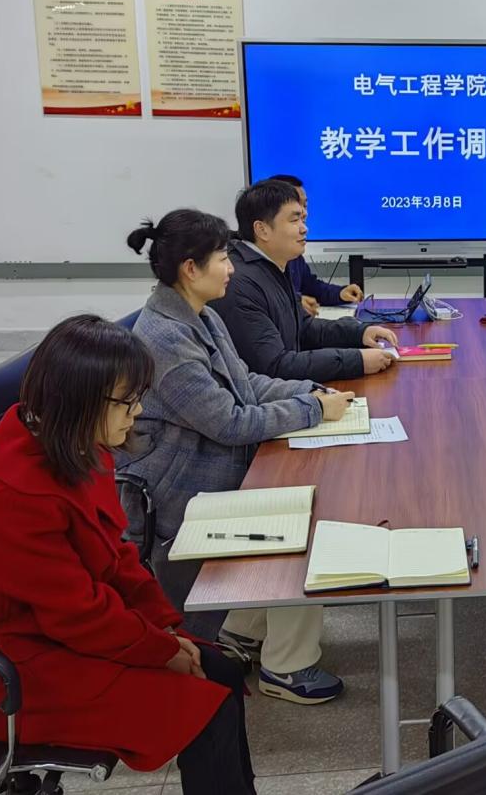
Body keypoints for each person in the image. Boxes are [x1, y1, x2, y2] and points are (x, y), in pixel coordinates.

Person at [0, 316, 257, 794]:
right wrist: (161, 651)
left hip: (51, 635)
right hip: (7, 673)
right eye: (127, 401)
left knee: (220, 669)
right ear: (79, 399)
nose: (138, 411)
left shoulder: (76, 445)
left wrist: (167, 630)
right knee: (204, 705)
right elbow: (77, 616)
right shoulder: (12, 493)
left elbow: (115, 558)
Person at [120, 208, 353, 704]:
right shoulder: (165, 339)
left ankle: (243, 628)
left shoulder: (199, 313)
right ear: (191, 268)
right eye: (224, 258)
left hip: (211, 463)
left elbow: (246, 384)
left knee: (307, 487)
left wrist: (311, 390)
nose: (231, 268)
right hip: (182, 490)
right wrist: (312, 409)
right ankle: (286, 667)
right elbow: (229, 422)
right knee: (308, 516)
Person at [212, 180, 399, 382]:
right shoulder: (239, 282)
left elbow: (304, 328)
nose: (304, 229)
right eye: (294, 221)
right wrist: (357, 360)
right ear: (262, 229)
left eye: (303, 219)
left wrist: (360, 333)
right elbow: (274, 366)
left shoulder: (273, 265)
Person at [269, 173, 363, 317]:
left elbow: (311, 287)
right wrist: (294, 303)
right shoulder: (249, 266)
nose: (304, 213)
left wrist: (340, 293)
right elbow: (266, 299)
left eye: (305, 205)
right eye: (297, 206)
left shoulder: (292, 250)